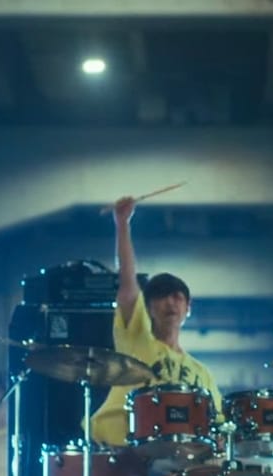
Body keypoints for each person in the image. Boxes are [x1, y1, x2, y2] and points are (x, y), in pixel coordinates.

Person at [89, 196, 224, 459]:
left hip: (182, 462)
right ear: (149, 308)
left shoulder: (202, 374)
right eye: (161, 297)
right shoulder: (137, 341)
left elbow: (218, 421)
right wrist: (122, 225)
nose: (170, 303)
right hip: (126, 454)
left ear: (188, 308)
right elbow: (128, 285)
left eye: (177, 297)